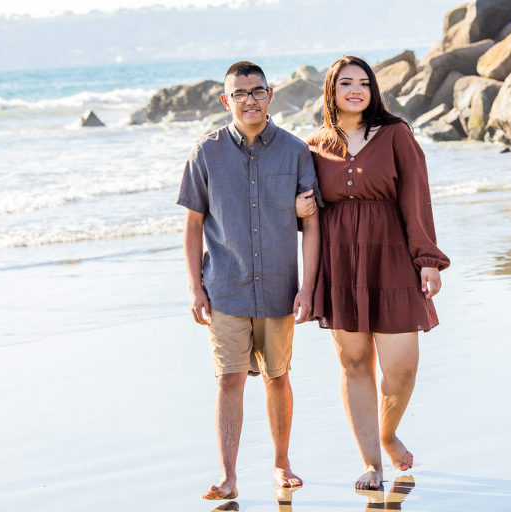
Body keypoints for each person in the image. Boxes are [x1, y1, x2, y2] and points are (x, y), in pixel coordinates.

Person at [299, 56, 449, 490]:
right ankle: (371, 462)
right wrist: (295, 211)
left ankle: (387, 433)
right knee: (354, 363)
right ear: (331, 90)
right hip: (340, 263)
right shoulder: (312, 146)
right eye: (346, 83)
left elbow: (417, 198)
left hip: (394, 258)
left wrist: (427, 259)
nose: (356, 90)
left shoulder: (396, 134)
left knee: (402, 367)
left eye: (364, 83)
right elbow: (302, 213)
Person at [178, 61, 321, 500]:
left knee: (278, 376)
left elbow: (312, 224)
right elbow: (192, 224)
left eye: (257, 91)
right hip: (225, 287)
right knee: (229, 379)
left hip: (279, 287)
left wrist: (308, 287)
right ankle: (228, 476)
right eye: (239, 93)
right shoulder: (206, 152)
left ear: (270, 95)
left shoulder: (295, 151)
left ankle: (281, 463)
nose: (249, 100)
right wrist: (194, 287)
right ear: (227, 101)